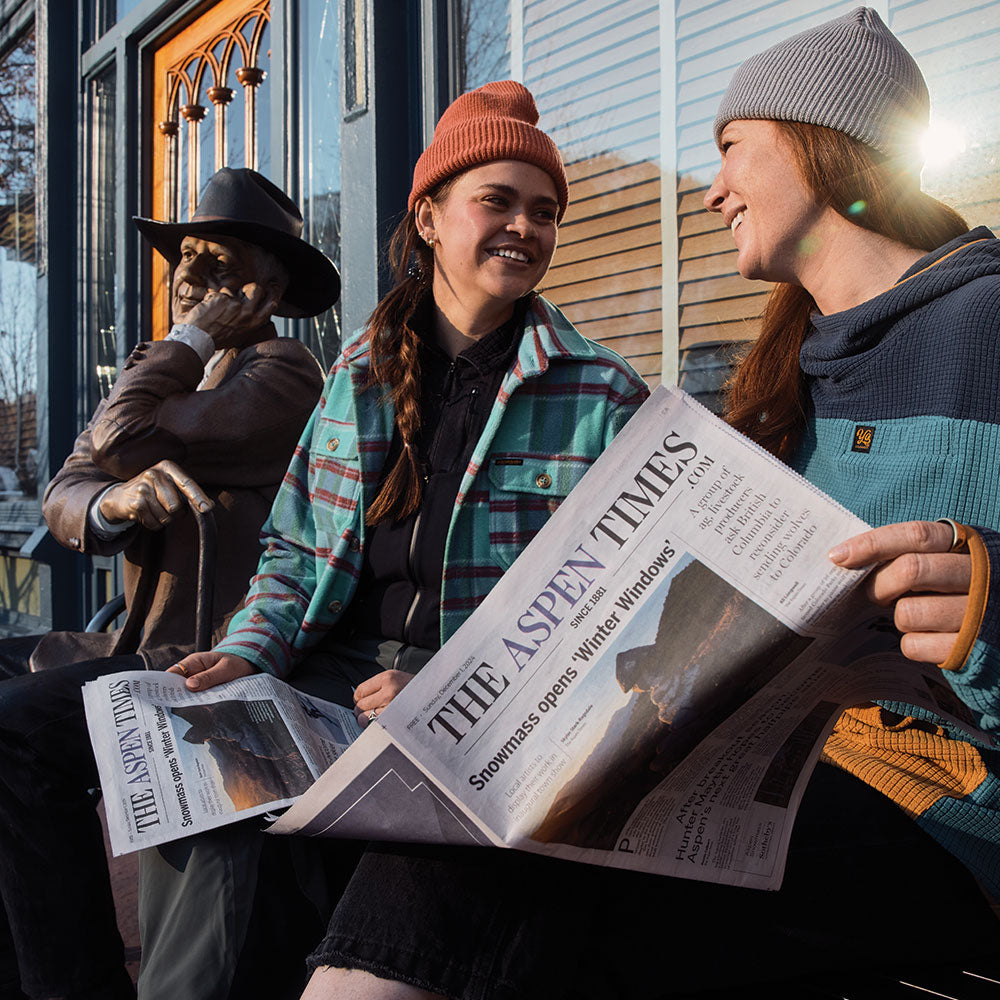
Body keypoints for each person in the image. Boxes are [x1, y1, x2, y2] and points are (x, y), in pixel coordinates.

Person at [297, 11, 1000, 999]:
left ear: (818, 141)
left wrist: (988, 601)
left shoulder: (984, 327)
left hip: (943, 811)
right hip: (789, 773)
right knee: (484, 816)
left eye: (727, 149)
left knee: (494, 861)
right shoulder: (786, 377)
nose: (708, 189)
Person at [145, 81, 649, 1000]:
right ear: (428, 216)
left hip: (467, 702)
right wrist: (247, 655)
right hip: (328, 679)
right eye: (497, 202)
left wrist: (458, 693)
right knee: (203, 777)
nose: (525, 229)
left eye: (544, 213)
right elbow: (295, 555)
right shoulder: (358, 375)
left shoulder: (604, 397)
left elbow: (612, 614)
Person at [0, 167, 335, 1000]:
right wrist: (115, 502)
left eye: (217, 262)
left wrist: (185, 343)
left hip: (201, 655)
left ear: (269, 286)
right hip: (123, 638)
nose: (191, 279)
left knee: (15, 730)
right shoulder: (171, 369)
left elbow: (121, 433)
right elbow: (71, 485)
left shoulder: (282, 372)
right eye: (185, 258)